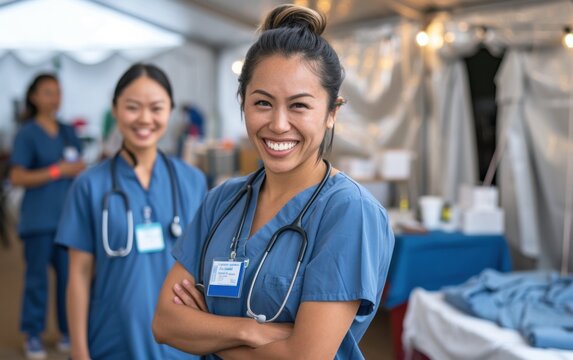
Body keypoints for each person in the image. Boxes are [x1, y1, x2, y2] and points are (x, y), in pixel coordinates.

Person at [153, 4, 395, 359]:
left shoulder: (348, 213)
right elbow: (165, 323)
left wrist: (207, 330)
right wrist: (251, 331)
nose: (279, 124)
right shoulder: (223, 201)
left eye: (299, 106)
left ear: (332, 113)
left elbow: (305, 357)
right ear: (243, 103)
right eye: (263, 103)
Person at [55, 63, 207, 360]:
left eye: (156, 108)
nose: (145, 119)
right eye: (133, 107)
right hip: (114, 342)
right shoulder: (89, 185)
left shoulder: (192, 181)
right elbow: (78, 274)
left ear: (170, 111)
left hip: (183, 347)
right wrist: (79, 352)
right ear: (115, 109)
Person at [10, 73, 86, 359]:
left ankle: (69, 332)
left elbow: (77, 165)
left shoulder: (68, 131)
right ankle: (33, 334)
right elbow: (17, 177)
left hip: (68, 221)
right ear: (33, 97)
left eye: (57, 92)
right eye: (47, 92)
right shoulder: (27, 133)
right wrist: (57, 171)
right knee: (37, 280)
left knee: (71, 280)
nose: (54, 98)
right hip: (39, 222)